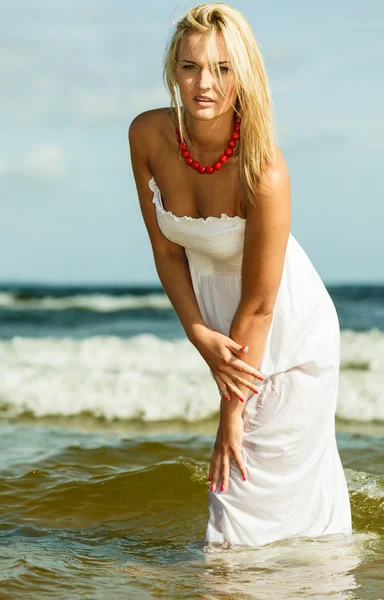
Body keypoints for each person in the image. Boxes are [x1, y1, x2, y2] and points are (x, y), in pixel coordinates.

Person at [128, 2, 352, 547]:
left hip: (288, 335)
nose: (204, 83)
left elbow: (259, 305)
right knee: (248, 521)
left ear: (244, 74)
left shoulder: (264, 168)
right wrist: (198, 332)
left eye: (223, 69)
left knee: (242, 507)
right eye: (190, 67)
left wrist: (231, 409)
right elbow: (166, 252)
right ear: (172, 70)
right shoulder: (148, 136)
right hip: (225, 331)